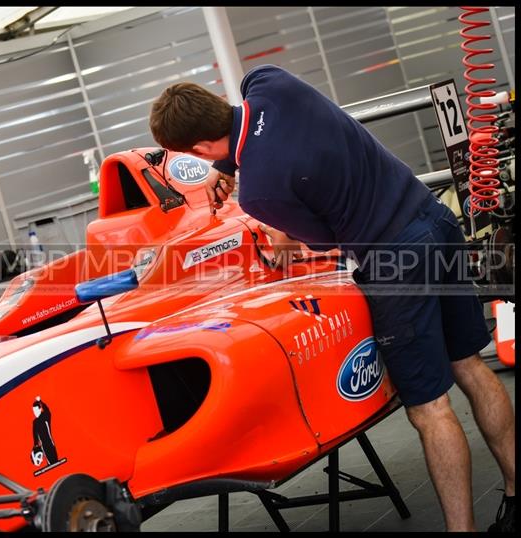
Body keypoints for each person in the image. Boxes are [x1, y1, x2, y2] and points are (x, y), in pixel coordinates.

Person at [148, 64, 515, 532]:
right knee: (470, 364)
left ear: (197, 149)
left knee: (430, 409)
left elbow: (321, 241)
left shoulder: (259, 194)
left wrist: (279, 232)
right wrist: (225, 166)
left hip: (393, 259)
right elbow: (250, 126)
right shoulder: (269, 83)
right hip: (432, 217)